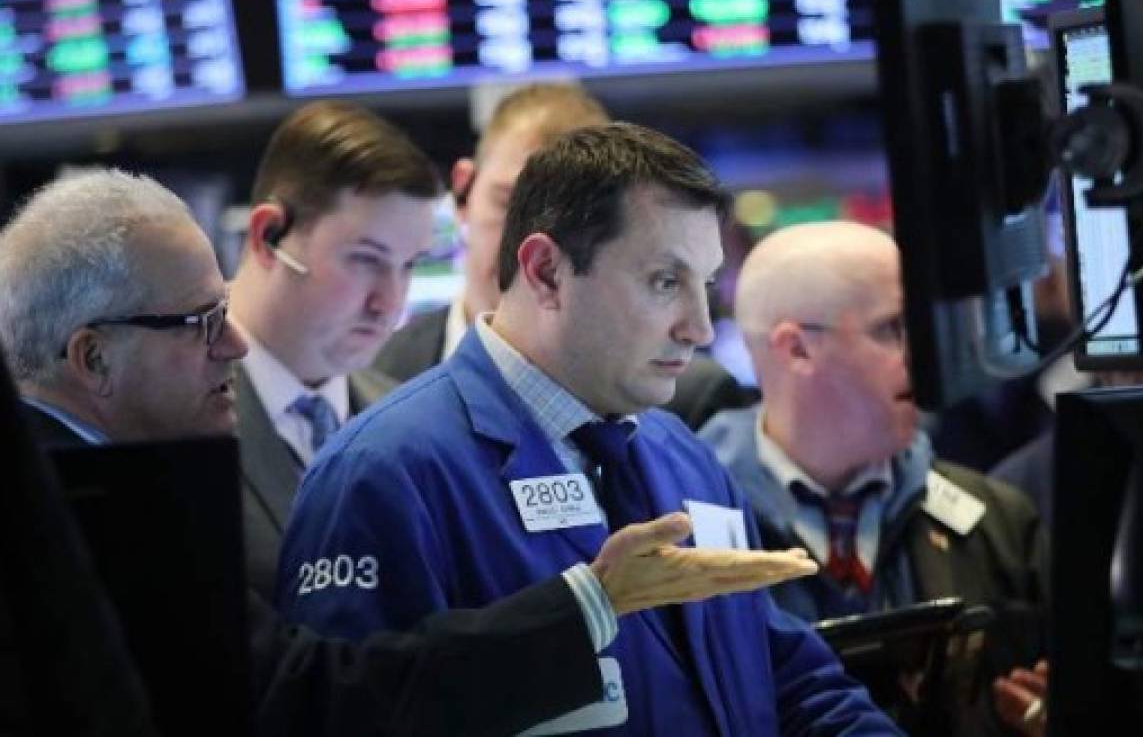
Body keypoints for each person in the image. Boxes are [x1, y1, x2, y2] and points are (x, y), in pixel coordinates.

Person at [0, 168, 814, 737]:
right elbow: (318, 705)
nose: (236, 345)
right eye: (201, 323)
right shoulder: (84, 522)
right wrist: (591, 604)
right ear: (92, 358)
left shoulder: (675, 449)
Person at [279, 123, 899, 734]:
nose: (700, 327)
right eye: (665, 282)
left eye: (705, 285)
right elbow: (346, 714)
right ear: (548, 271)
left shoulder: (683, 453)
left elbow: (786, 678)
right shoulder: (385, 472)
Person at [698, 221, 1049, 731]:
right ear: (796, 349)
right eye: (892, 330)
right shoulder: (686, 537)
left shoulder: (997, 519)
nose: (923, 359)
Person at [372, 81, 747, 430]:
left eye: (573, 217)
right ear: (463, 191)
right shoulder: (374, 366)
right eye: (509, 202)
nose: (526, 234)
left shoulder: (689, 403)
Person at [228, 100, 440, 596]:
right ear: (267, 235)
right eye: (366, 260)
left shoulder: (408, 419)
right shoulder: (168, 412)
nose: (389, 304)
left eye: (408, 266)